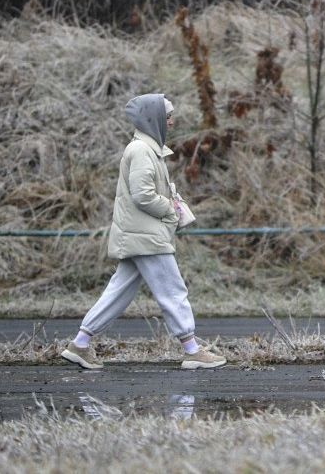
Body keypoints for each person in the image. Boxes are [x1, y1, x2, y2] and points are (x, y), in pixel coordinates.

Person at [61, 93, 226, 370]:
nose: (172, 122)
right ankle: (192, 350)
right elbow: (143, 195)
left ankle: (80, 344)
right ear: (155, 118)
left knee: (118, 292)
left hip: (138, 235)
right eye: (168, 116)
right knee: (173, 290)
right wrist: (170, 210)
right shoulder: (141, 151)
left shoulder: (147, 149)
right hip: (146, 237)